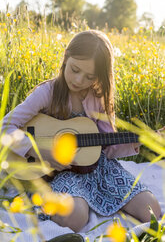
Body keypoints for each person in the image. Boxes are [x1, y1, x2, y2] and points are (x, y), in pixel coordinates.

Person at [2, 30, 161, 232]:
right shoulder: (47, 93)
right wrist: (37, 149)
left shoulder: (98, 97)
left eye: (89, 76)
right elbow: (5, 128)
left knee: (151, 210)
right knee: (75, 218)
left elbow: (108, 147)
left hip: (98, 168)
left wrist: (141, 140)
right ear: (66, 57)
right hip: (58, 173)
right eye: (75, 70)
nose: (78, 81)